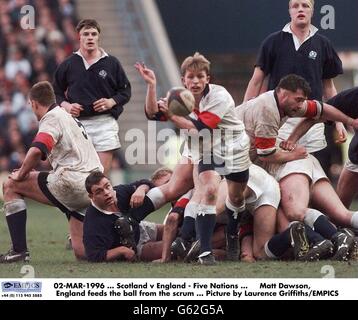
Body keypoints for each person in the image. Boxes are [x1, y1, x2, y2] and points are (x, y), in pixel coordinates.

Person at [236, 74, 358, 260]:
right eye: (298, 100)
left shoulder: (275, 107)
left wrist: (348, 121)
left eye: (301, 100)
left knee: (295, 212)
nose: (300, 105)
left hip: (289, 163)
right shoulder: (269, 109)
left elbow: (319, 109)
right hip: (293, 161)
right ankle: (334, 238)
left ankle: (333, 238)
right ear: (283, 94)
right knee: (340, 215)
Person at [0, 81, 103, 263]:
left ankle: (19, 251)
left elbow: (37, 149)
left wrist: (22, 173)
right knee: (82, 252)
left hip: (74, 184)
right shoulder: (68, 116)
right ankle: (131, 247)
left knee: (11, 184)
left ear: (33, 103)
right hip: (93, 186)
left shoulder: (51, 117)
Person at [244, 0, 345, 175]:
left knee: (314, 172)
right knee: (279, 174)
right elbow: (256, 81)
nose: (300, 9)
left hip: (313, 122)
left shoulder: (323, 44)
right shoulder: (273, 41)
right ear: (289, 11)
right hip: (279, 122)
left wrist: (338, 121)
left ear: (312, 11)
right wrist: (245, 117)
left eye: (305, 6)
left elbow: (329, 88)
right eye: (295, 6)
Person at [53, 19, 131, 175]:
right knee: (80, 175)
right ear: (79, 37)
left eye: (93, 34)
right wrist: (67, 106)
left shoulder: (111, 63)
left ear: (98, 37)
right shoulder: (68, 64)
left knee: (100, 176)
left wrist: (111, 102)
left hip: (105, 123)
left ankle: (99, 200)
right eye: (86, 34)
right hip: (77, 124)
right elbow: (56, 92)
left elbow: (125, 91)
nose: (90, 37)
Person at [83, 170, 173, 262]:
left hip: (140, 227)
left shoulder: (119, 192)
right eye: (99, 191)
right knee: (173, 246)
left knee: (175, 231)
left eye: (107, 186)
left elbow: (145, 182)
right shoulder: (93, 222)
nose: (106, 192)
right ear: (91, 197)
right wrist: (121, 250)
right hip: (135, 246)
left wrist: (140, 190)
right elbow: (93, 256)